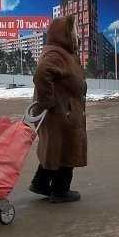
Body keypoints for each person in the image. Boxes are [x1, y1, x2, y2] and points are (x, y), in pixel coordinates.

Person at [28, 15, 87, 204]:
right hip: (61, 114)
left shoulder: (60, 52)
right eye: (74, 32)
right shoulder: (56, 54)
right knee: (67, 149)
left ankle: (41, 184)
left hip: (63, 112)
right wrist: (48, 101)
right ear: (64, 34)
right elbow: (41, 74)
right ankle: (61, 191)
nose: (77, 35)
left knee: (55, 149)